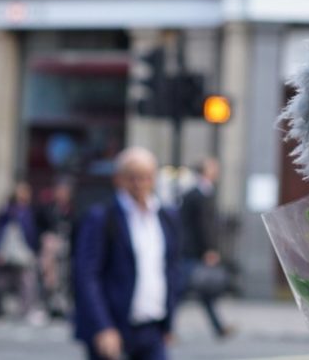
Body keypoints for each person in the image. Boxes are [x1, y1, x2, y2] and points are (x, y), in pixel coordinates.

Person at [74, 147, 181, 360]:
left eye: (146, 177)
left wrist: (169, 322)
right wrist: (102, 326)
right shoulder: (103, 217)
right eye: (133, 177)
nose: (139, 184)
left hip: (152, 327)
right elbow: (86, 275)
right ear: (119, 179)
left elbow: (171, 268)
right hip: (114, 325)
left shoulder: (165, 217)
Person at [178, 158, 233, 339]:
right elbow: (203, 225)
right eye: (213, 168)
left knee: (204, 292)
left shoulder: (205, 192)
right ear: (205, 171)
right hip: (194, 250)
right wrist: (209, 249)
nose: (216, 171)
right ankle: (165, 328)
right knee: (181, 290)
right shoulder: (196, 194)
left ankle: (218, 327)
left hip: (197, 250)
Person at [0, 182, 41, 323]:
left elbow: (31, 232)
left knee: (26, 280)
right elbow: (0, 229)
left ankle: (25, 308)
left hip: (22, 250)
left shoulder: (27, 210)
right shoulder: (9, 209)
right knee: (3, 280)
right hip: (9, 249)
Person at [37, 179, 77, 318]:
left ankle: (61, 306)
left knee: (64, 277)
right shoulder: (49, 208)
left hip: (67, 248)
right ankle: (48, 305)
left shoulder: (71, 209)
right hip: (51, 248)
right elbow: (40, 225)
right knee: (49, 277)